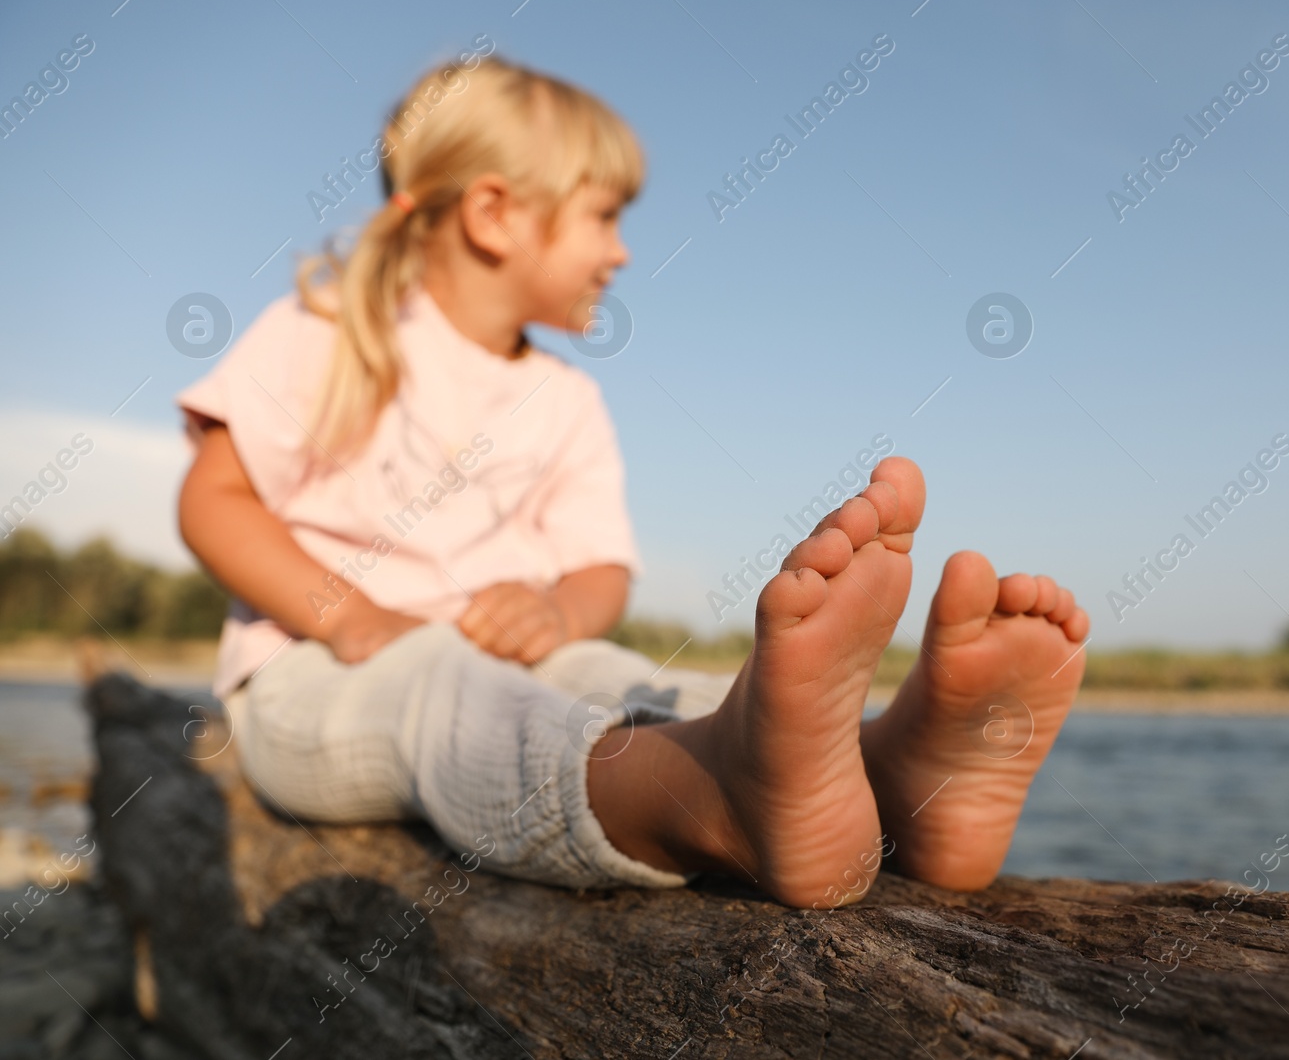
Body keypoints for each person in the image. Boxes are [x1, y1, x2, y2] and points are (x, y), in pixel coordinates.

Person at [176, 56, 1090, 909]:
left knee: (621, 678)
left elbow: (599, 571)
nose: (619, 253)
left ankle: (886, 776)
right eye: (603, 217)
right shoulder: (329, 332)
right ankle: (700, 797)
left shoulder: (564, 400)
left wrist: (558, 616)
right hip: (315, 675)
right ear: (493, 215)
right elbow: (213, 503)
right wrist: (352, 614)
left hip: (523, 661)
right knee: (440, 691)